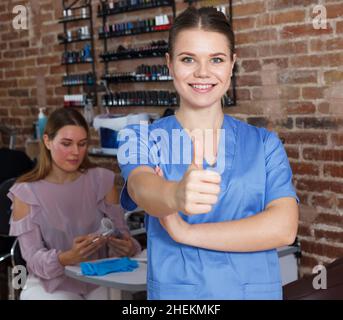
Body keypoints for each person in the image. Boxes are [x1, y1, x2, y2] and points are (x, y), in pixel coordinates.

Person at [117, 7, 299, 300]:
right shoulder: (140, 138)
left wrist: (184, 233)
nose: (203, 72)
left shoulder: (265, 144)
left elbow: (283, 228)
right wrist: (174, 195)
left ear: (231, 65)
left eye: (216, 59)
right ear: (170, 64)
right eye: (188, 59)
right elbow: (141, 186)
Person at [8, 108, 140, 300]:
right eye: (66, 144)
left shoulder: (102, 181)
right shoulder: (26, 193)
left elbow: (122, 235)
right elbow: (33, 258)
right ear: (47, 141)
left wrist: (128, 247)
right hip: (51, 282)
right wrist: (65, 258)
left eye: (82, 144)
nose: (75, 152)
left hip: (101, 276)